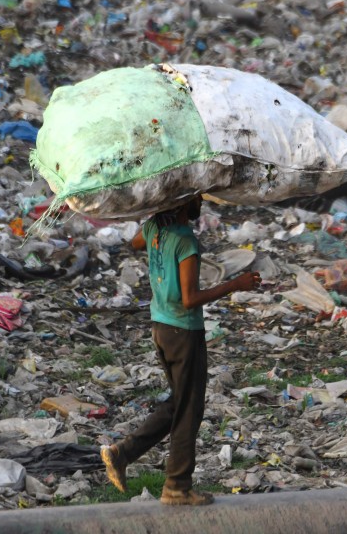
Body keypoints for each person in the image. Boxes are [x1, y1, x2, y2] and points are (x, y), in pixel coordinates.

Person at [101, 195, 261, 506]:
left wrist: (154, 222)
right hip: (183, 330)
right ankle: (177, 486)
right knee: (189, 410)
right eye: (195, 196)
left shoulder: (154, 230)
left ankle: (123, 453)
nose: (200, 201)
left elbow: (135, 243)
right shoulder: (186, 240)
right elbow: (189, 298)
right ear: (182, 201)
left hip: (161, 328)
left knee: (178, 402)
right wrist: (235, 284)